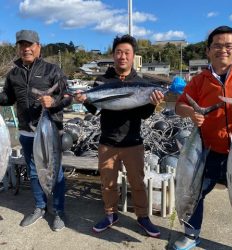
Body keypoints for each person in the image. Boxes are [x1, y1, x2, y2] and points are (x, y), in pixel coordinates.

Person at [75, 34, 165, 237]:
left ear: (133, 57)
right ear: (113, 55)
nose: (122, 56)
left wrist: (152, 102)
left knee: (138, 183)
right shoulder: (102, 81)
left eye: (127, 52)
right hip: (107, 142)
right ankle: (110, 214)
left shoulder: (141, 82)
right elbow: (95, 110)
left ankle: (143, 217)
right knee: (107, 184)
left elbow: (143, 114)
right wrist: (85, 100)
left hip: (133, 142)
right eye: (118, 52)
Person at [173, 26, 232, 250]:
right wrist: (192, 112)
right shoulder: (199, 80)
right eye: (217, 45)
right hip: (209, 151)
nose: (222, 50)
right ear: (208, 51)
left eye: (228, 46)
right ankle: (191, 234)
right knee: (194, 193)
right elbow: (180, 105)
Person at [0, 30, 72, 231]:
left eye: (30, 45)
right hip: (26, 132)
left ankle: (58, 211)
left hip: (50, 132)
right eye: (22, 45)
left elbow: (68, 97)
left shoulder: (52, 70)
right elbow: (8, 98)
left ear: (38, 46)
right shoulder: (13, 73)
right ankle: (40, 207)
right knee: (33, 172)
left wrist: (54, 101)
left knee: (55, 172)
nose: (26, 49)